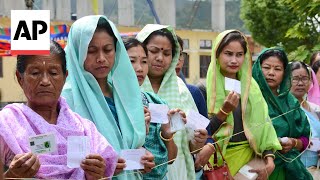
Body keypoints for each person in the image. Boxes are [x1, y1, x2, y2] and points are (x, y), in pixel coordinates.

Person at [0, 41, 117, 179]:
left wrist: (96, 173)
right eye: (35, 73)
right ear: (20, 79)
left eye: (53, 73)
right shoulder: (6, 124)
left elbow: (105, 169)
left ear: (64, 77)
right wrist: (12, 175)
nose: (45, 81)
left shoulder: (84, 128)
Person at [61, 15, 154, 179]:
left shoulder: (124, 95)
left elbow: (125, 146)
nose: (101, 58)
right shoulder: (67, 99)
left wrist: (140, 157)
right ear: (77, 52)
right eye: (91, 51)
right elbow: (65, 159)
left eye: (108, 49)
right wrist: (99, 167)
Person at [195, 30, 281, 179]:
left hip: (249, 161)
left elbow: (263, 124)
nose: (234, 60)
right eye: (228, 54)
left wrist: (269, 158)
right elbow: (200, 133)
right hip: (216, 160)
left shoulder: (250, 88)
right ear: (217, 54)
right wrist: (223, 111)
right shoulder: (203, 89)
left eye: (239, 55)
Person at [136, 24, 208, 180]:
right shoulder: (128, 89)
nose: (160, 58)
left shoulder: (182, 90)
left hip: (177, 170)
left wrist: (198, 141)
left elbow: (192, 146)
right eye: (153, 51)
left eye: (167, 53)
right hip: (138, 170)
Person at [124, 37, 189, 179]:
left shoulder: (155, 101)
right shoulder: (110, 105)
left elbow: (170, 158)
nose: (139, 68)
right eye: (131, 61)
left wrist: (167, 134)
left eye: (144, 62)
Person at [252, 47, 312, 179]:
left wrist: (294, 142)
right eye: (266, 67)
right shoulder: (248, 98)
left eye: (277, 69)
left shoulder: (290, 102)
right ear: (257, 68)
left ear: (284, 73)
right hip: (255, 169)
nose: (271, 73)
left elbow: (306, 138)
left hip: (289, 171)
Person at [290, 61, 320, 168]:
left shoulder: (315, 109)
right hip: (294, 166)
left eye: (304, 79)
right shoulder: (283, 109)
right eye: (295, 79)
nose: (300, 83)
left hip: (315, 167)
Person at [176, 35, 208, 118]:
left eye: (180, 54)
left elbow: (205, 129)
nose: (177, 61)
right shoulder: (141, 95)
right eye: (168, 54)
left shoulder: (193, 93)